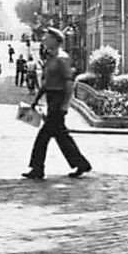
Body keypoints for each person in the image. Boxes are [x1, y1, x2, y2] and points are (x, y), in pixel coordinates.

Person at [22, 27, 91, 180]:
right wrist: (36, 99)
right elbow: (47, 82)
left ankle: (37, 168)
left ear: (55, 40)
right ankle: (81, 164)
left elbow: (68, 83)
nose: (44, 38)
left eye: (47, 36)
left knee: (44, 136)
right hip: (52, 98)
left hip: (58, 100)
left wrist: (65, 105)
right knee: (61, 136)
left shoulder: (62, 58)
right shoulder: (51, 57)